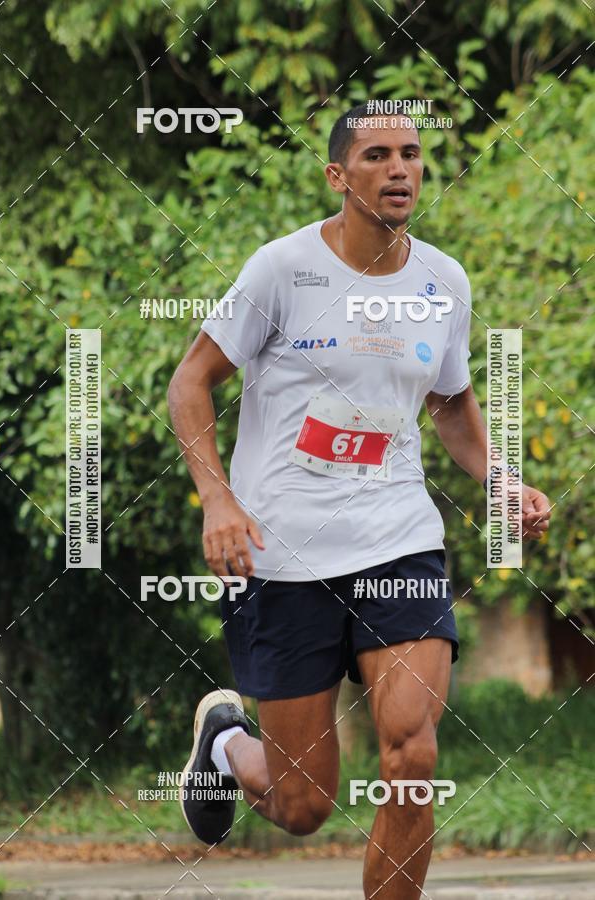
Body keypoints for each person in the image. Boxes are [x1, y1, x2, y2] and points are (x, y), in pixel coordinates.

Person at [167, 104, 551, 899]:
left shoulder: (443, 281)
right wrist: (217, 500)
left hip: (398, 537)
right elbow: (190, 382)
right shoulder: (282, 270)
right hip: (285, 552)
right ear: (339, 176)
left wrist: (501, 481)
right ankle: (228, 741)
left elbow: (449, 405)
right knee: (304, 804)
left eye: (411, 153)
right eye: (377, 155)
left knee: (412, 755)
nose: (401, 168)